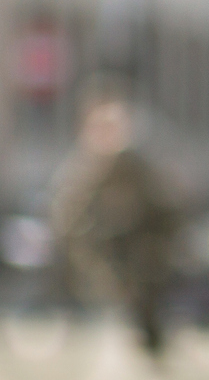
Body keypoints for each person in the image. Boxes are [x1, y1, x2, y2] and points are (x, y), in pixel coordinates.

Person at [52, 85, 180, 357]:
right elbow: (76, 194)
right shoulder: (108, 157)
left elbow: (84, 195)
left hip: (151, 228)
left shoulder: (126, 158)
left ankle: (152, 333)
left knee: (139, 279)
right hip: (133, 227)